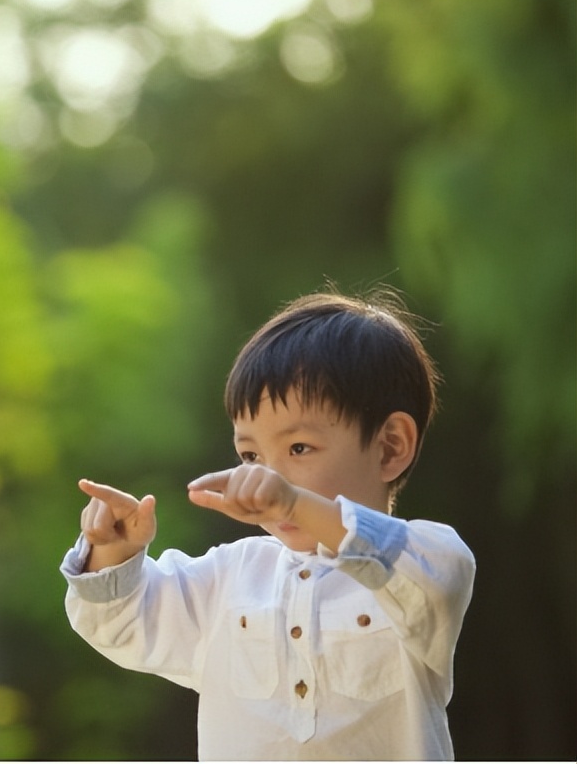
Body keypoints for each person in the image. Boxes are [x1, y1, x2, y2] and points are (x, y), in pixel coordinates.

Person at [60, 289, 476, 760]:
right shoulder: (229, 578)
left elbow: (427, 570)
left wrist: (296, 503)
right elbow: (121, 623)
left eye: (298, 448)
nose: (266, 476)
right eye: (251, 455)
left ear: (389, 447)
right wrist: (112, 548)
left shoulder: (425, 565)